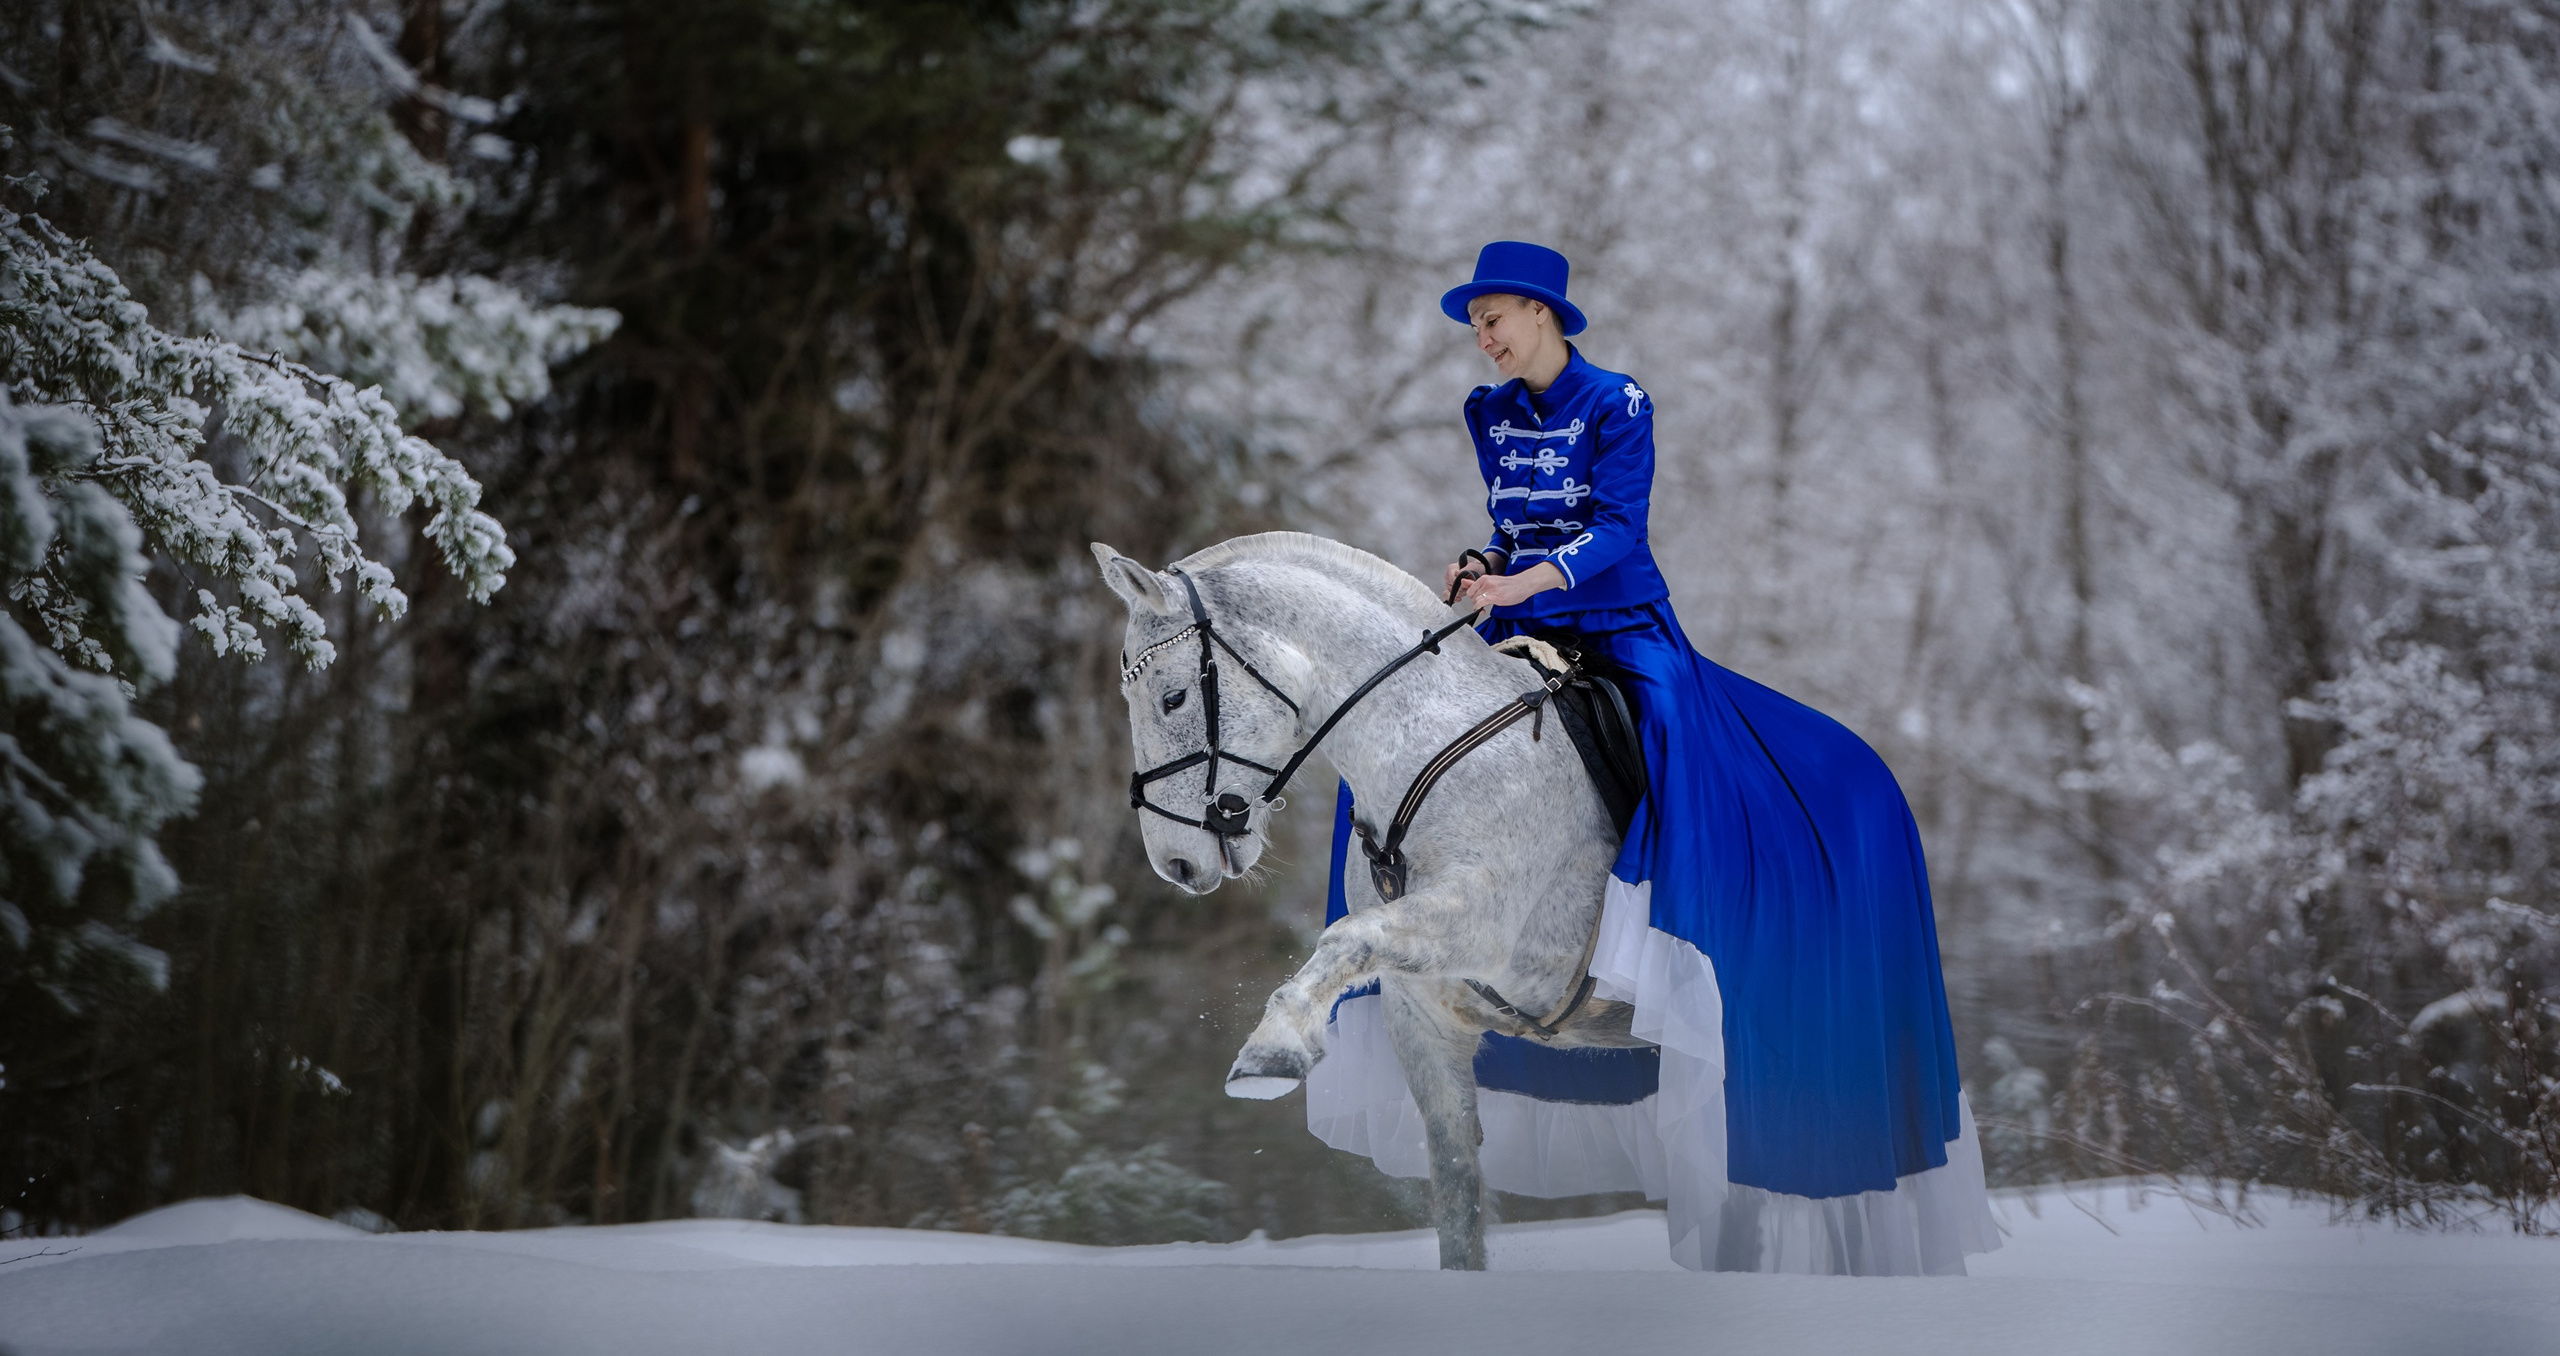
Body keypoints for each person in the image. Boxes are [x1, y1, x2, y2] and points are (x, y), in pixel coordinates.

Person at [1309, 240, 1996, 1275]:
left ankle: (1663, 924)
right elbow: (1512, 524)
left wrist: (1531, 581)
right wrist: (1483, 565)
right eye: (1474, 323)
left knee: (1672, 731)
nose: (1482, 337)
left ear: (1544, 312)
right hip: (1517, 617)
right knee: (1408, 740)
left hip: (1619, 622)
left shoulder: (1617, 402)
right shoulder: (1487, 412)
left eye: (1494, 317)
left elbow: (1618, 530)